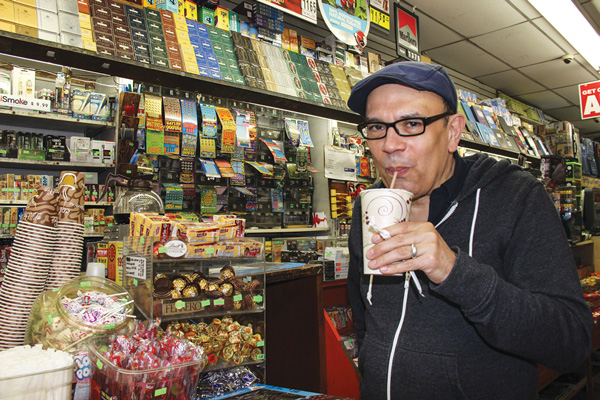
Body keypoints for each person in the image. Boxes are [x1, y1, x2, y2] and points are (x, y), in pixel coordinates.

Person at [346, 61, 593, 399]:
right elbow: (364, 320)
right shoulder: (368, 208)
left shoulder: (514, 197)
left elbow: (572, 342)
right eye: (376, 127)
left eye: (412, 123)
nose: (390, 145)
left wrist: (453, 270)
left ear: (452, 132)